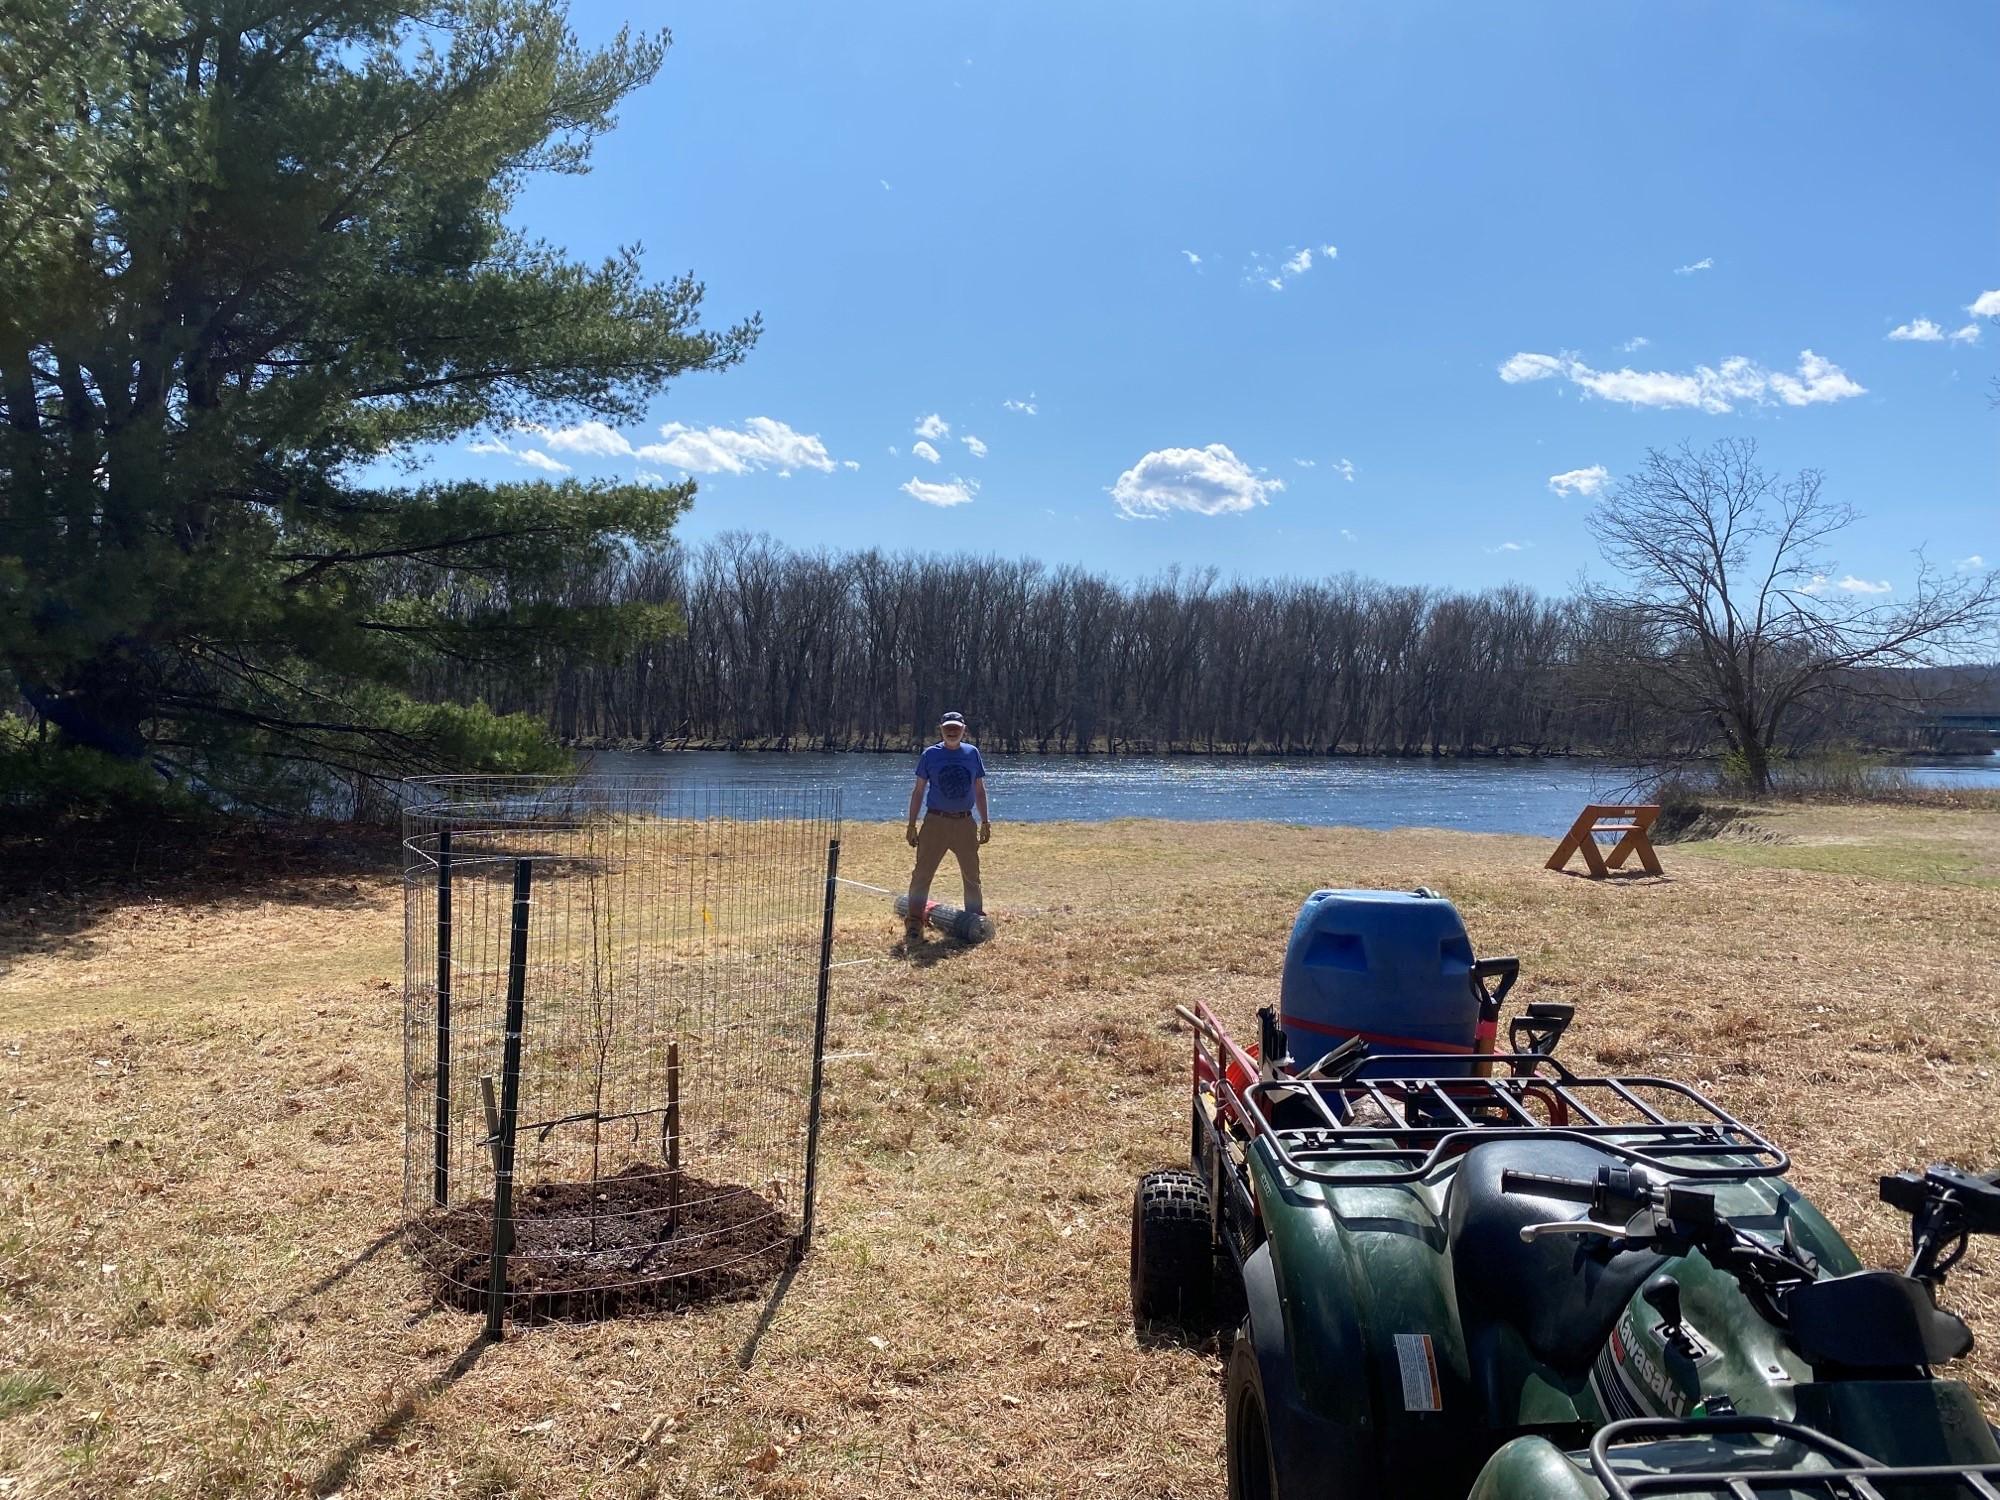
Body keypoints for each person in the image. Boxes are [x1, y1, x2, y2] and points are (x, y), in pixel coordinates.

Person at [904, 710, 990, 943]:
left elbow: (980, 790)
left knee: (972, 876)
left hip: (965, 823)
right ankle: (914, 923)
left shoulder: (972, 754)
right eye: (947, 727)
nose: (952, 731)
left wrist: (985, 821)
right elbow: (919, 791)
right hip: (935, 822)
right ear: (940, 729)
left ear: (964, 730)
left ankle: (975, 921)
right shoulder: (930, 755)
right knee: (922, 874)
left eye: (956, 727)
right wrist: (912, 824)